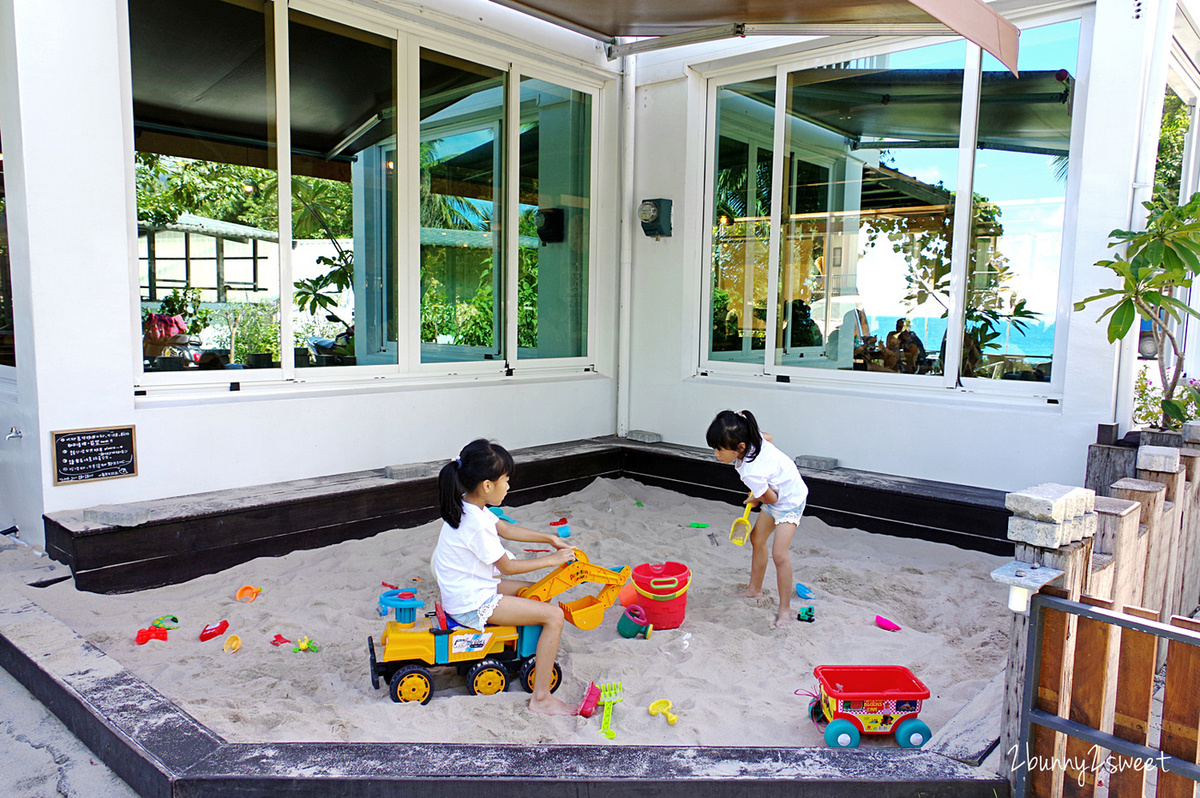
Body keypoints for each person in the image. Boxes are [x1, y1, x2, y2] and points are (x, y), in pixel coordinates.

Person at [432, 438, 578, 715]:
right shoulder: (474, 524)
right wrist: (553, 560)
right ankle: (542, 698)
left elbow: (506, 530)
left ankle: (523, 651)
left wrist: (549, 538)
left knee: (537, 589)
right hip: (472, 602)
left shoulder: (470, 506)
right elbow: (508, 567)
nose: (509, 486)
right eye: (506, 480)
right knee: (554, 615)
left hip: (472, 589)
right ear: (487, 485)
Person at [706, 410, 808, 628]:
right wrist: (758, 495)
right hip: (777, 492)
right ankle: (754, 589)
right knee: (756, 539)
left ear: (740, 448)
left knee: (780, 555)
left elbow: (772, 499)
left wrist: (756, 496)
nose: (716, 454)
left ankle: (785, 610)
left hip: (790, 502)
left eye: (719, 450)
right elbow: (768, 437)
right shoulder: (754, 438)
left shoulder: (750, 472)